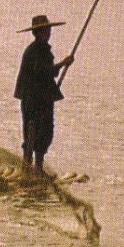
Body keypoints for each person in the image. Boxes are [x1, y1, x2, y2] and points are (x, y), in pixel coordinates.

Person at [15, 14, 73, 173]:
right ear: (39, 33)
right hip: (33, 98)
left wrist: (62, 65)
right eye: (46, 30)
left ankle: (38, 167)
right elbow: (43, 72)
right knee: (32, 131)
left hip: (42, 97)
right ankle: (29, 167)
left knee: (45, 132)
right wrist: (63, 63)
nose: (49, 32)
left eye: (49, 30)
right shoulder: (33, 51)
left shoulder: (43, 50)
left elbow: (50, 73)